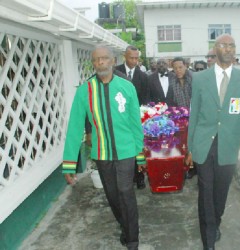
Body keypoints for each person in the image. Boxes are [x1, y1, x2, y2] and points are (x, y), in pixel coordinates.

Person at [185, 34, 240, 250]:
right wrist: (190, 147)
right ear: (215, 48)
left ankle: (215, 222)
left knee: (220, 193)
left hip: (229, 146)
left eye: (232, 46)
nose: (228, 49)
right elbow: (194, 115)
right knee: (205, 192)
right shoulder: (200, 78)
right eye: (224, 45)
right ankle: (208, 239)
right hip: (204, 144)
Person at [62, 45, 145, 250]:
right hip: (102, 153)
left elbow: (136, 122)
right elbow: (74, 128)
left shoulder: (127, 87)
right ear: (93, 63)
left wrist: (140, 154)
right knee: (113, 195)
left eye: (104, 59)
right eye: (96, 60)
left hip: (126, 151)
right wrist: (69, 164)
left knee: (126, 191)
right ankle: (125, 227)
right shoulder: (85, 91)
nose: (100, 63)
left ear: (112, 60)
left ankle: (133, 239)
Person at [116, 45, 148, 189]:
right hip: (119, 120)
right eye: (131, 58)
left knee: (138, 148)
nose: (134, 61)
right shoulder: (115, 72)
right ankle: (126, 178)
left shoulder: (143, 76)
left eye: (136, 58)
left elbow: (145, 99)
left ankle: (140, 177)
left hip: (136, 120)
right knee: (124, 151)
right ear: (125, 56)